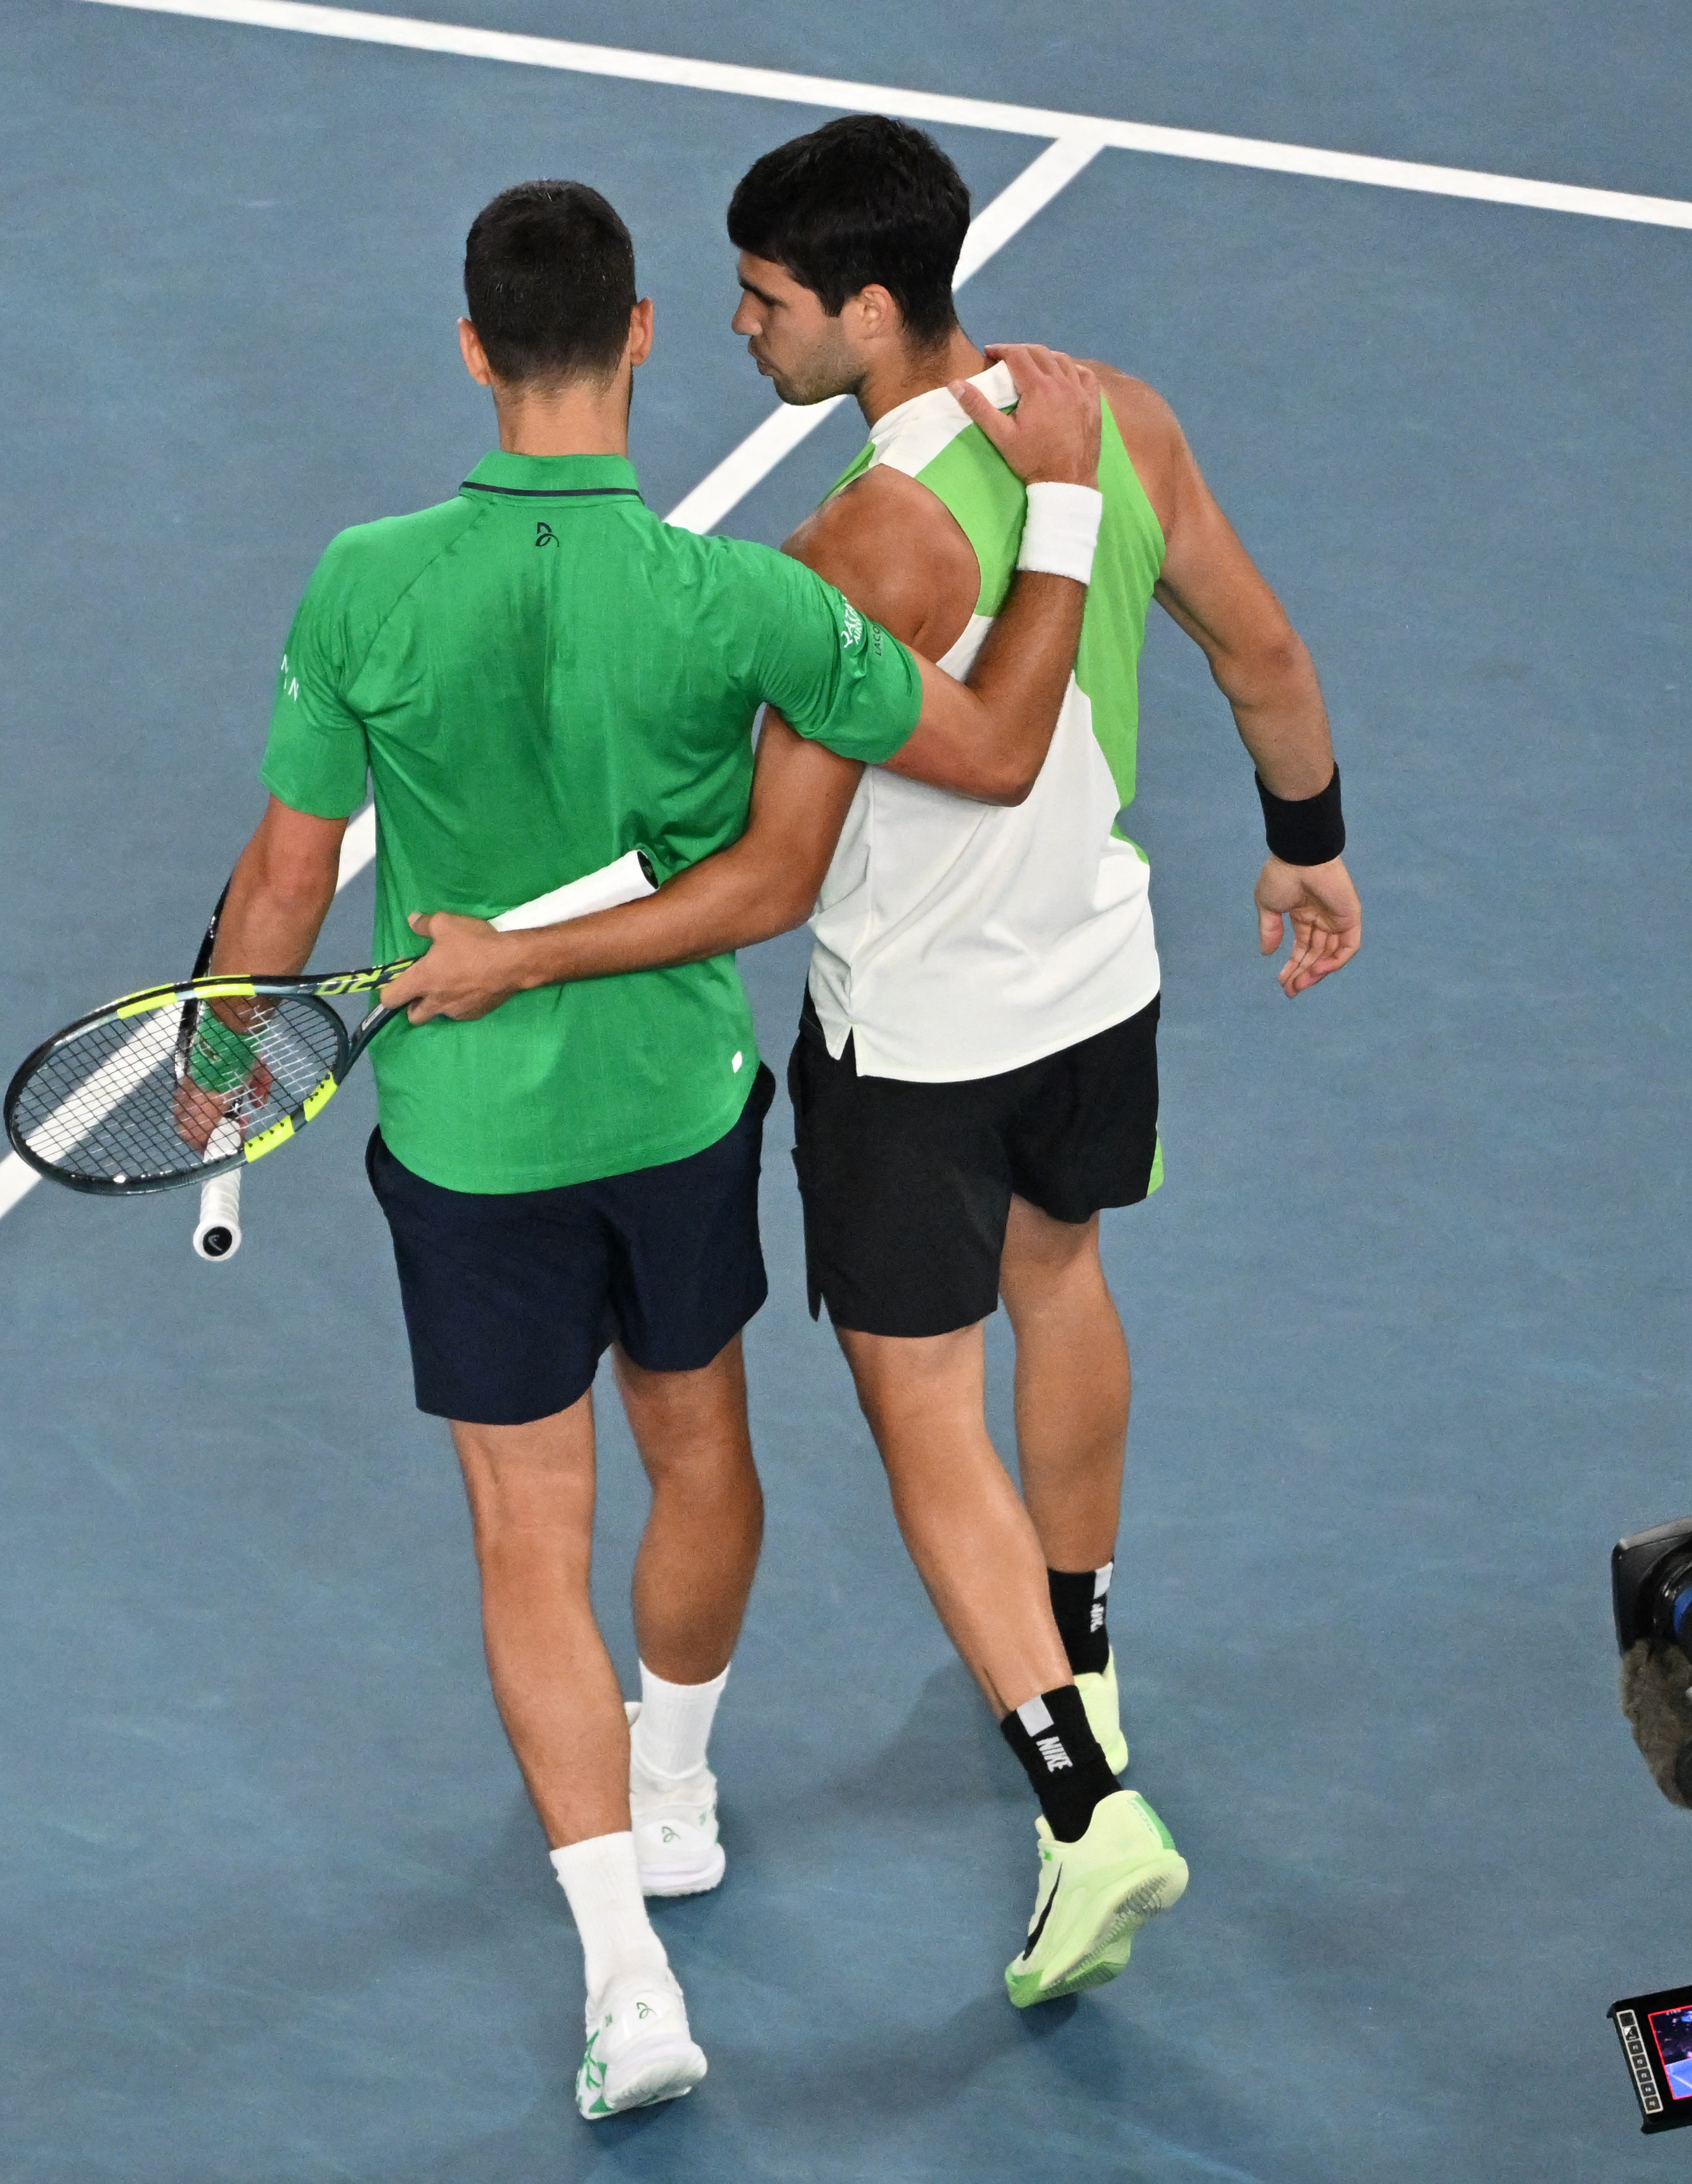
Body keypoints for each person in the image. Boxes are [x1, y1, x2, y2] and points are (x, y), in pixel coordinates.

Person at [381, 113, 1363, 2011]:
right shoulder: (1115, 413)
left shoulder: (852, 550)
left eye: (765, 302)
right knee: (1064, 1283)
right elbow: (1262, 652)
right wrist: (1308, 841)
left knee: (925, 1412)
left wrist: (525, 947)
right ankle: (1079, 1654)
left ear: (866, 306)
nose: (739, 331)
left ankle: (1085, 1809)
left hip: (917, 1046)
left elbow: (759, 871)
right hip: (1098, 978)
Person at [201, 179, 1103, 2118]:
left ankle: (623, 1970)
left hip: (464, 1139)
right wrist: (1067, 531)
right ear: (631, 339)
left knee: (530, 1531)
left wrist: (222, 1066)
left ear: (470, 351)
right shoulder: (745, 597)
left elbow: (284, 877)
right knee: (700, 1442)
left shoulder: (363, 581)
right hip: (678, 1113)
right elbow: (994, 750)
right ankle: (675, 1779)